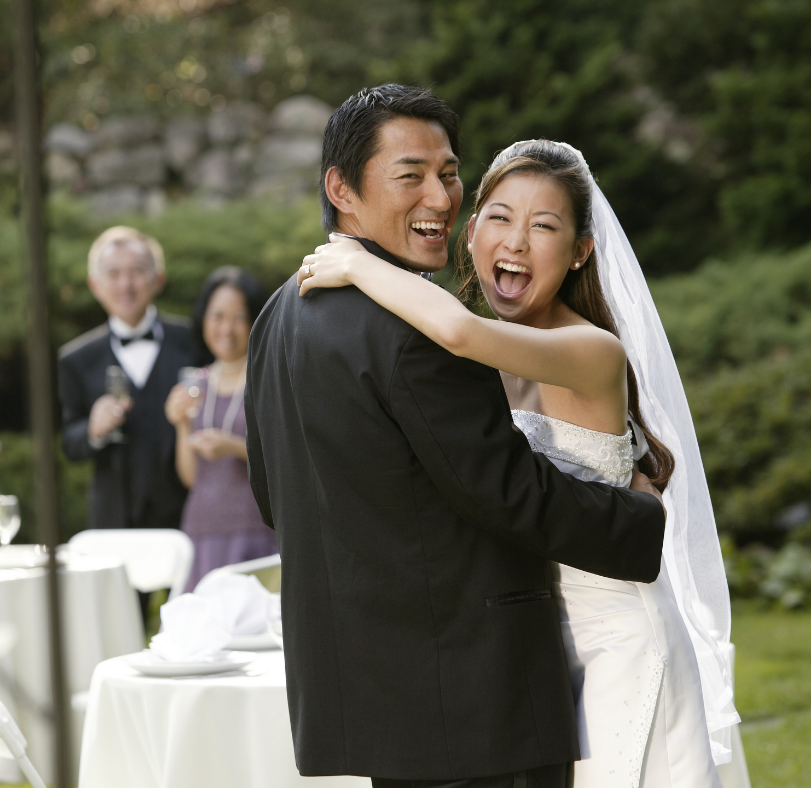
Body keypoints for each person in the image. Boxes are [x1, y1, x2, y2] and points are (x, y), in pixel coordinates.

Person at [244, 84, 667, 788]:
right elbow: (508, 495)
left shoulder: (280, 313)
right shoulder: (417, 335)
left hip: (381, 702)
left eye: (448, 174)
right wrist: (640, 520)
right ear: (341, 189)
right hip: (473, 700)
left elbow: (274, 495)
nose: (441, 198)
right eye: (411, 175)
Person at [297, 139, 741, 786]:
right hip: (529, 644)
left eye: (545, 226)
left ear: (580, 251)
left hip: (619, 643)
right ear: (472, 233)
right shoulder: (464, 368)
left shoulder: (589, 351)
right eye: (500, 219)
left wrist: (360, 264)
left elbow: (459, 331)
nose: (517, 241)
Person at [59, 226, 195, 532]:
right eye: (113, 273)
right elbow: (69, 443)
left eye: (137, 271)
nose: (126, 284)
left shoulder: (194, 344)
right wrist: (92, 429)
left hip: (187, 518)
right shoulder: (75, 360)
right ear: (95, 284)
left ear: (157, 279)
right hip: (113, 523)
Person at [165, 266, 276, 592]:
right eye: (217, 316)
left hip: (254, 532)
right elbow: (191, 478)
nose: (226, 328)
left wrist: (232, 446)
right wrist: (181, 426)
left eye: (238, 317)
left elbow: (283, 461)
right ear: (203, 320)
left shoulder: (265, 380)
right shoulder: (193, 385)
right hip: (202, 532)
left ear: (254, 321)